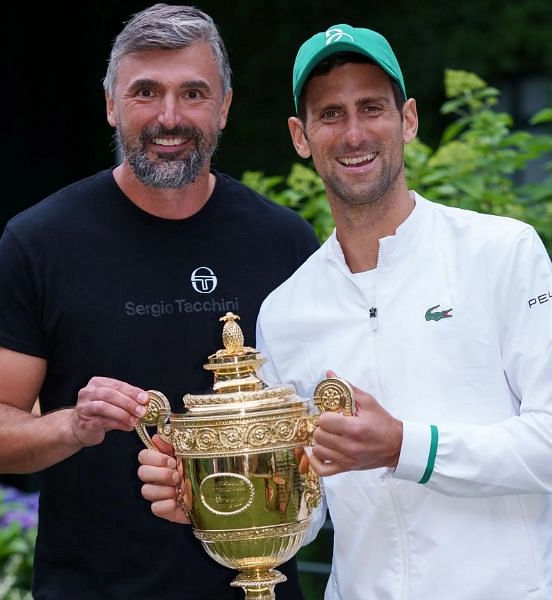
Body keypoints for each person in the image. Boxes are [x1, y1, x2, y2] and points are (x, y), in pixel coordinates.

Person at [138, 23, 552, 599]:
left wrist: (406, 446)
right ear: (300, 136)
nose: (354, 133)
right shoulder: (286, 311)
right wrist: (218, 497)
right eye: (330, 114)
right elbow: (305, 509)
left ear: (407, 119)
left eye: (372, 108)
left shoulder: (504, 252)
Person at [0, 4, 318, 598]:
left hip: (259, 583)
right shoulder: (40, 241)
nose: (169, 117)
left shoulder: (284, 242)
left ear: (225, 106)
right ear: (110, 104)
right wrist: (74, 425)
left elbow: (319, 422)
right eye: (145, 92)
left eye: (193, 93)